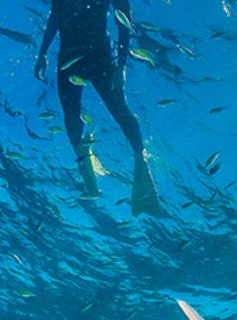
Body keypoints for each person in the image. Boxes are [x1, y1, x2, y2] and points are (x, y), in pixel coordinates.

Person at [35, 0, 160, 215]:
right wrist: (43, 53)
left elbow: (124, 18)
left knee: (119, 109)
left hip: (99, 54)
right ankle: (88, 173)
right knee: (71, 119)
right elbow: (55, 15)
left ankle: (141, 161)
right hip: (69, 58)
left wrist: (121, 65)